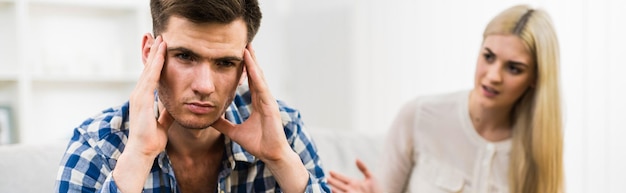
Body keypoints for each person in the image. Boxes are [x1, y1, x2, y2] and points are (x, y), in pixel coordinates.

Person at [54, 0, 330, 192]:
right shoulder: (98, 145)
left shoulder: (285, 131)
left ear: (246, 67)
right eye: (185, 56)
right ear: (150, 53)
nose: (204, 86)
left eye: (225, 63)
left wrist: (281, 159)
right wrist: (137, 158)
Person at [328, 4, 563, 193]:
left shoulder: (538, 150)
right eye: (488, 57)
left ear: (535, 78)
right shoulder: (420, 117)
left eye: (514, 68)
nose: (493, 76)